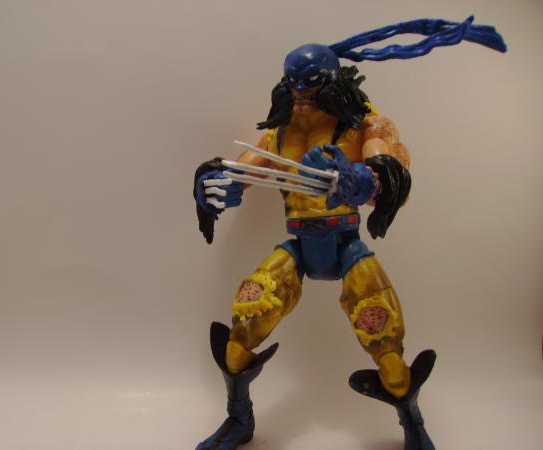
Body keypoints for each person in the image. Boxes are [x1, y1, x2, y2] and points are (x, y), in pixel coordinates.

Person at [192, 17, 505, 450]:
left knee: (386, 346)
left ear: (333, 82)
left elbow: (391, 171)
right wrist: (213, 186)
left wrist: (365, 180)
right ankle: (238, 418)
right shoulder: (279, 132)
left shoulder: (362, 125)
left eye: (311, 88)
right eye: (294, 88)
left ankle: (413, 425)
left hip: (347, 246)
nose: (302, 98)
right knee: (243, 328)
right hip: (299, 247)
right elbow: (243, 172)